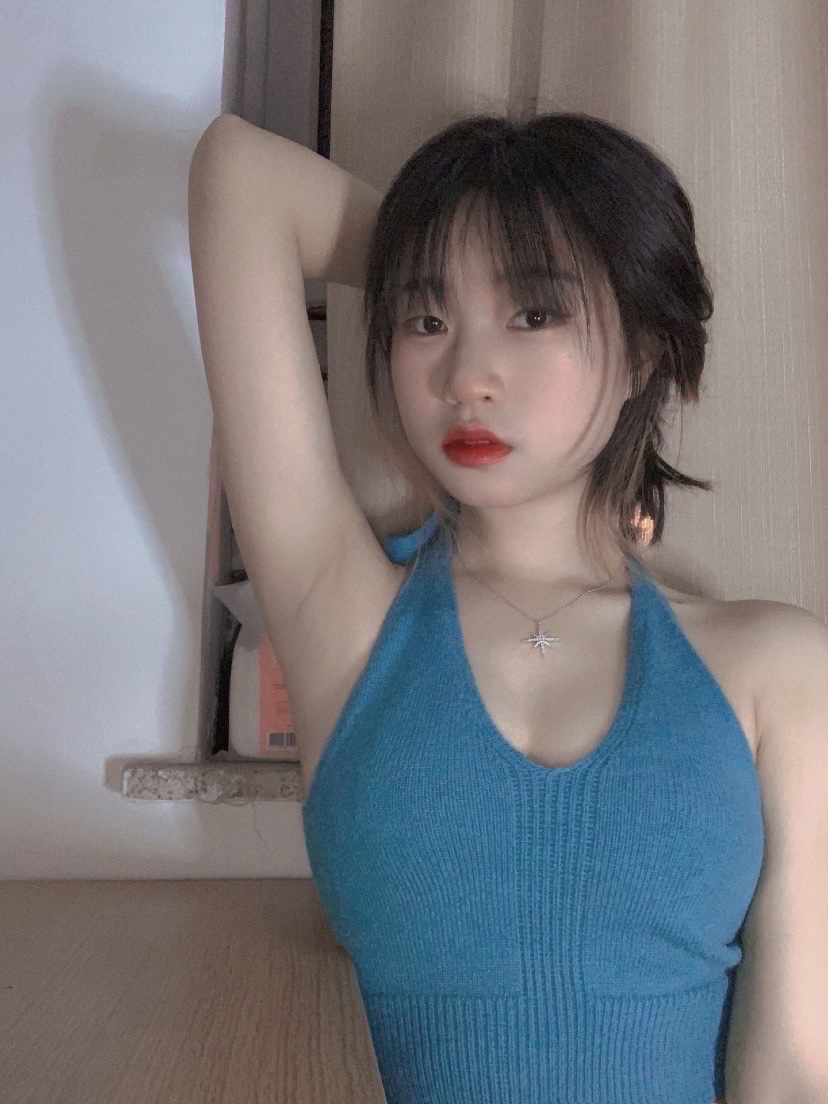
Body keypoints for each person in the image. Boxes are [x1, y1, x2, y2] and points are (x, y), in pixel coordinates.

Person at [187, 109, 827, 1104]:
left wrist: (582, 264)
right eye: (425, 318)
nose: (465, 376)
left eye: (534, 313)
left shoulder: (775, 666)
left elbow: (789, 1070)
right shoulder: (347, 619)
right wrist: (461, 246)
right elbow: (238, 178)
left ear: (646, 347)